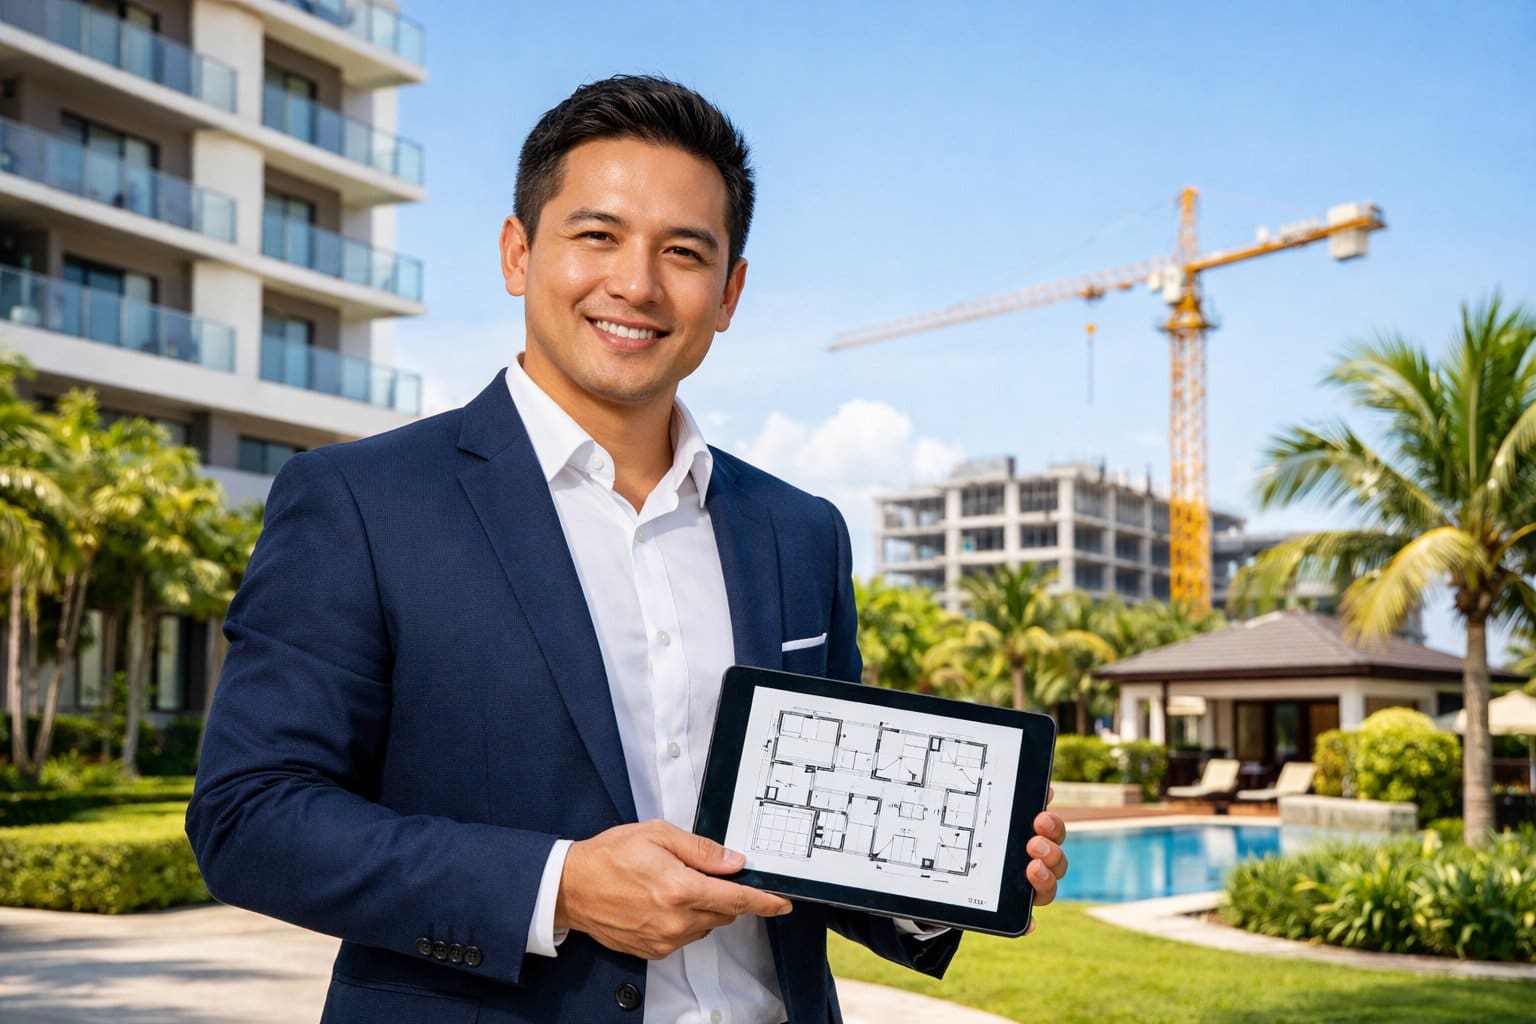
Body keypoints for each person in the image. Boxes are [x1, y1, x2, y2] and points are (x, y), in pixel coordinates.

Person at [187, 75, 1068, 1023]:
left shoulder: (800, 531)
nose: (637, 285)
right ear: (518, 251)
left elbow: (804, 836)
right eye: (597, 235)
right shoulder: (359, 501)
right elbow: (252, 817)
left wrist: (940, 870)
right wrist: (559, 885)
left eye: (684, 253)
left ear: (728, 293)